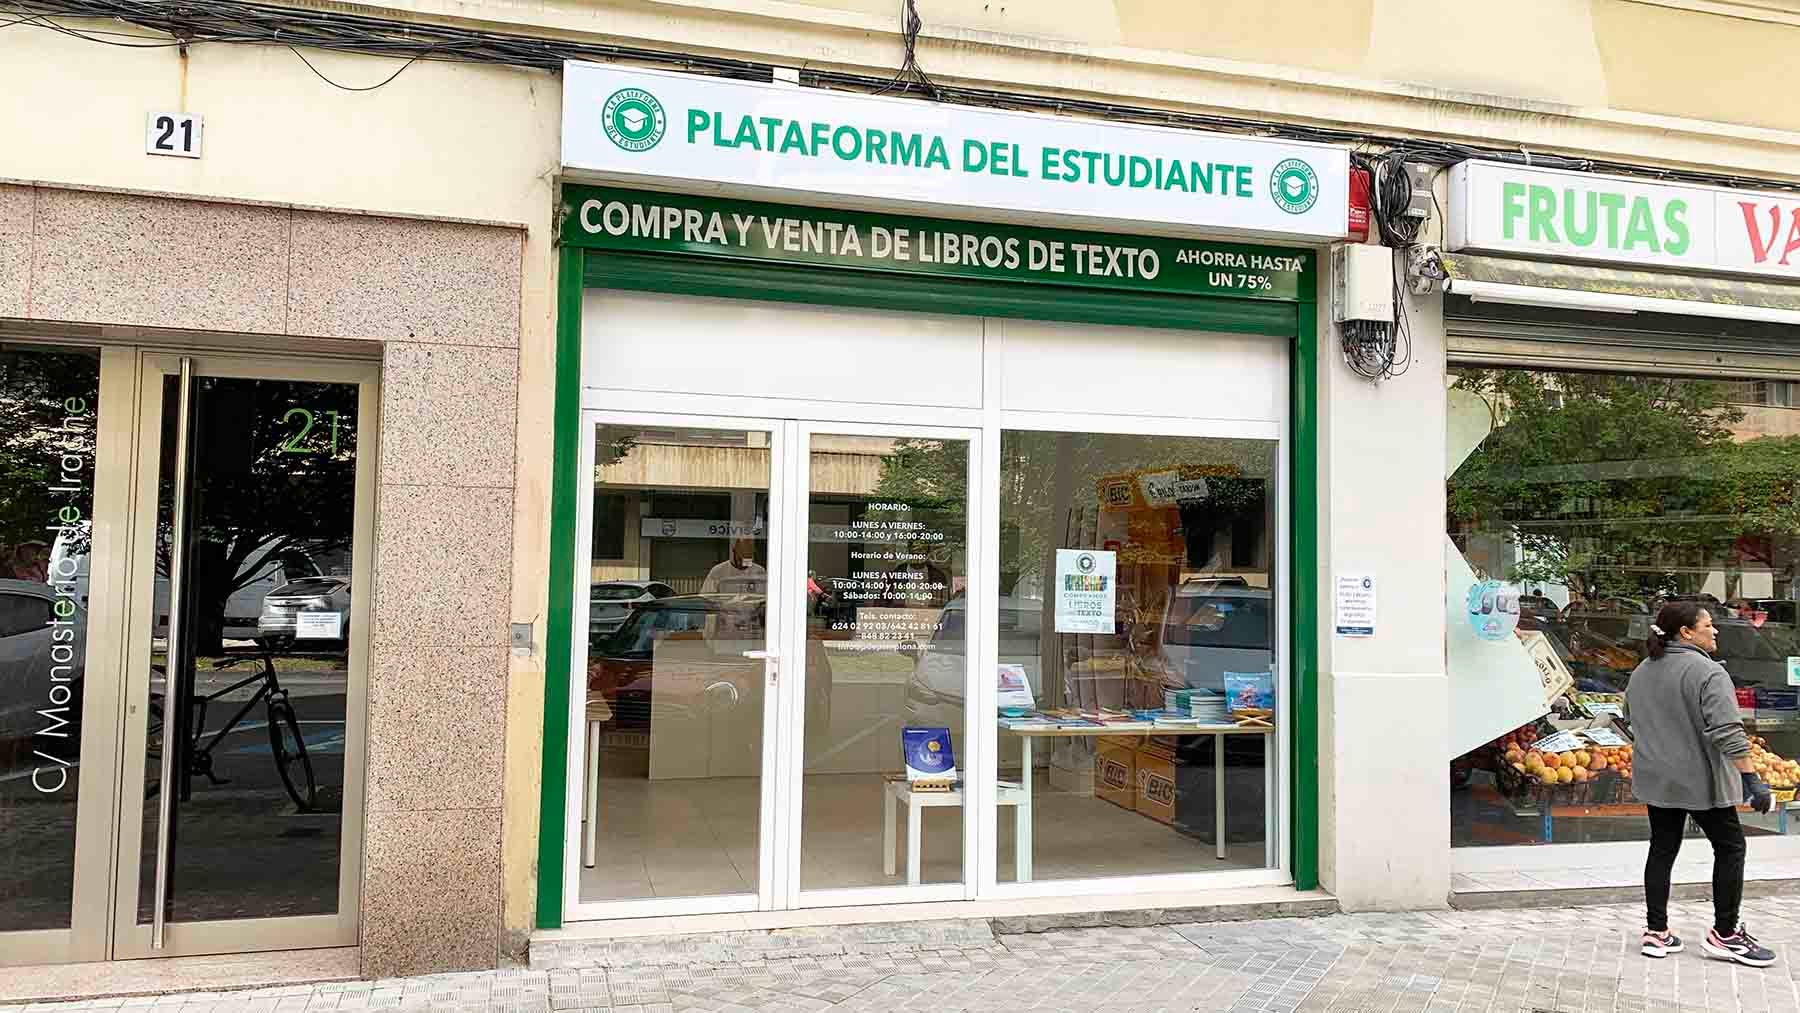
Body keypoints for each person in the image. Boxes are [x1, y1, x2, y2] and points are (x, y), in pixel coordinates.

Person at [1626, 601, 1776, 967]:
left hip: (1657, 777)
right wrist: (1751, 779)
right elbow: (1727, 731)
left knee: (1662, 848)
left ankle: (1655, 932)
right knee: (1731, 848)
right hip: (1699, 780)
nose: (1716, 630)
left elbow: (1629, 716)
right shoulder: (1708, 673)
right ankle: (1725, 934)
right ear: (1686, 632)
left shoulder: (1642, 671)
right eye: (1709, 625)